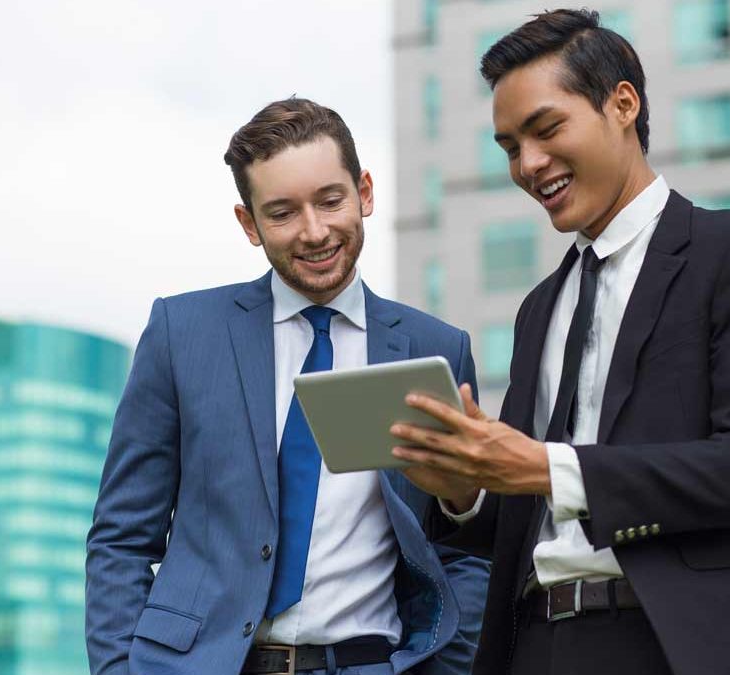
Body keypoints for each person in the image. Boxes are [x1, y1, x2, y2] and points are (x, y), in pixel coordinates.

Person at [389, 9, 730, 675]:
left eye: (547, 128)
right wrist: (464, 490)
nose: (529, 164)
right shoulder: (538, 309)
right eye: (508, 147)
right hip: (534, 645)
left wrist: (548, 467)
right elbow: (525, 513)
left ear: (622, 104)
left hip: (674, 644)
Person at [86, 97, 488, 675]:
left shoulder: (436, 349)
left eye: (330, 200)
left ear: (365, 192)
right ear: (249, 223)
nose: (314, 232)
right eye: (282, 213)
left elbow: (460, 547)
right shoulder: (183, 334)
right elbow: (121, 538)